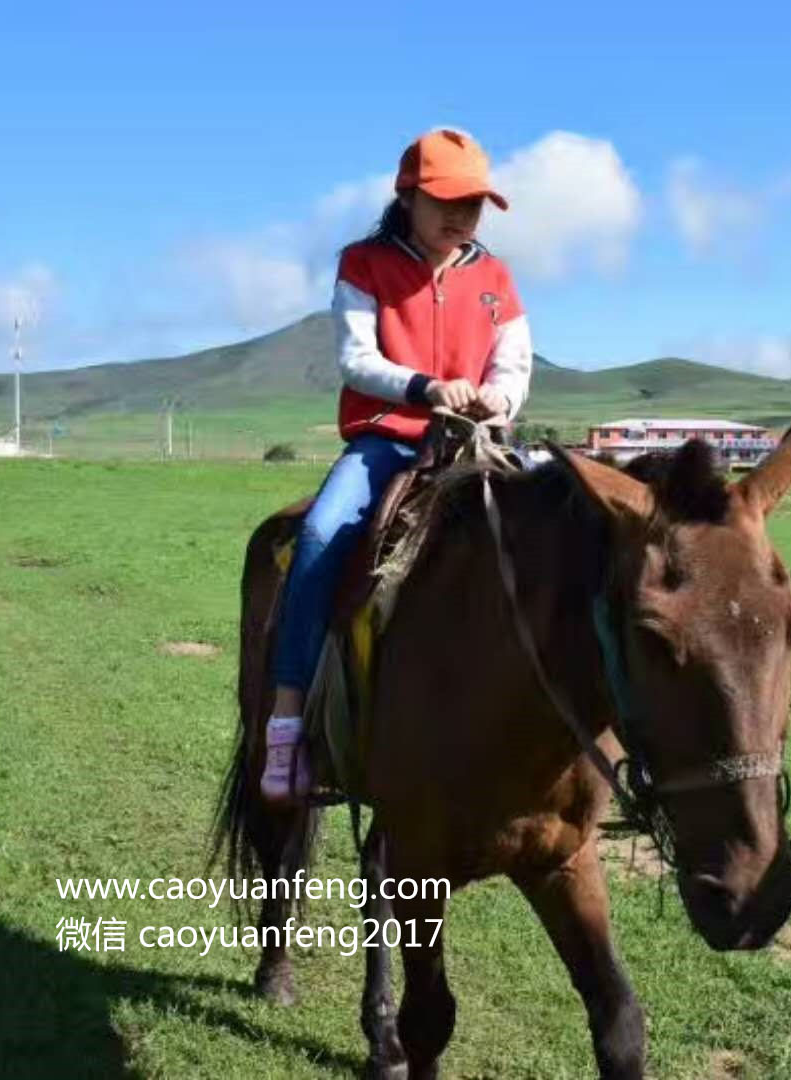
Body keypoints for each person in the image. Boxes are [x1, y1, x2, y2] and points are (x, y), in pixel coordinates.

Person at [260, 128, 534, 806]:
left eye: (474, 205)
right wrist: (427, 388)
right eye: (447, 200)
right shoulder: (364, 264)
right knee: (323, 535)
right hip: (390, 438)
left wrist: (498, 396)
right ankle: (288, 719)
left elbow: (514, 358)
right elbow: (357, 358)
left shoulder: (495, 277)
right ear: (406, 195)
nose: (462, 217)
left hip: (475, 441)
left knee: (562, 523)